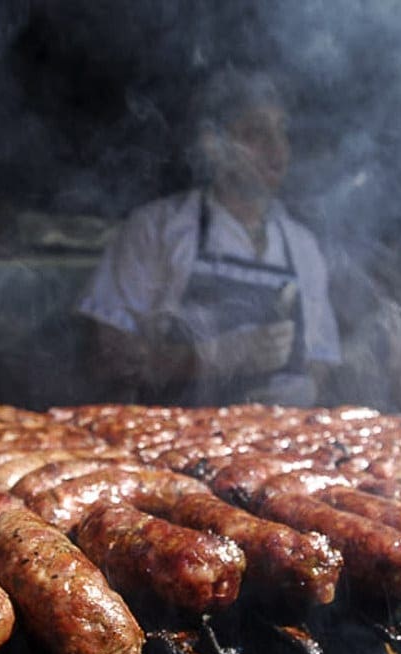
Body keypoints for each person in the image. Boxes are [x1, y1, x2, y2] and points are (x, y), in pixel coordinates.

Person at [75, 67, 341, 406]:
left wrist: (303, 389)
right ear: (214, 145)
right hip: (168, 445)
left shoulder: (303, 248)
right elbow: (104, 359)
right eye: (257, 132)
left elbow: (320, 361)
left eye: (282, 131)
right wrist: (211, 358)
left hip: (280, 452)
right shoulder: (157, 229)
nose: (278, 149)